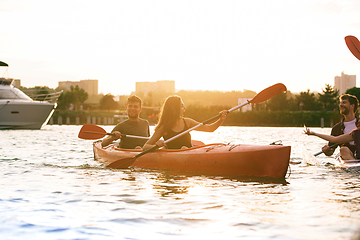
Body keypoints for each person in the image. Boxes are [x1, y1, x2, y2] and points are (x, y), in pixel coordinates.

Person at [143, 95, 227, 151]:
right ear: (174, 109)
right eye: (182, 106)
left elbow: (209, 128)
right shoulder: (164, 127)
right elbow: (145, 147)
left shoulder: (187, 122)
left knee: (184, 148)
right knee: (183, 148)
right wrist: (157, 146)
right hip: (175, 158)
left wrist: (220, 120)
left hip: (189, 152)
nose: (185, 108)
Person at [321, 94, 360, 160]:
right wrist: (327, 150)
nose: (341, 105)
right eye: (340, 103)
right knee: (343, 149)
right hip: (348, 157)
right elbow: (331, 151)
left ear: (352, 106)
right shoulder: (337, 128)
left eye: (344, 103)